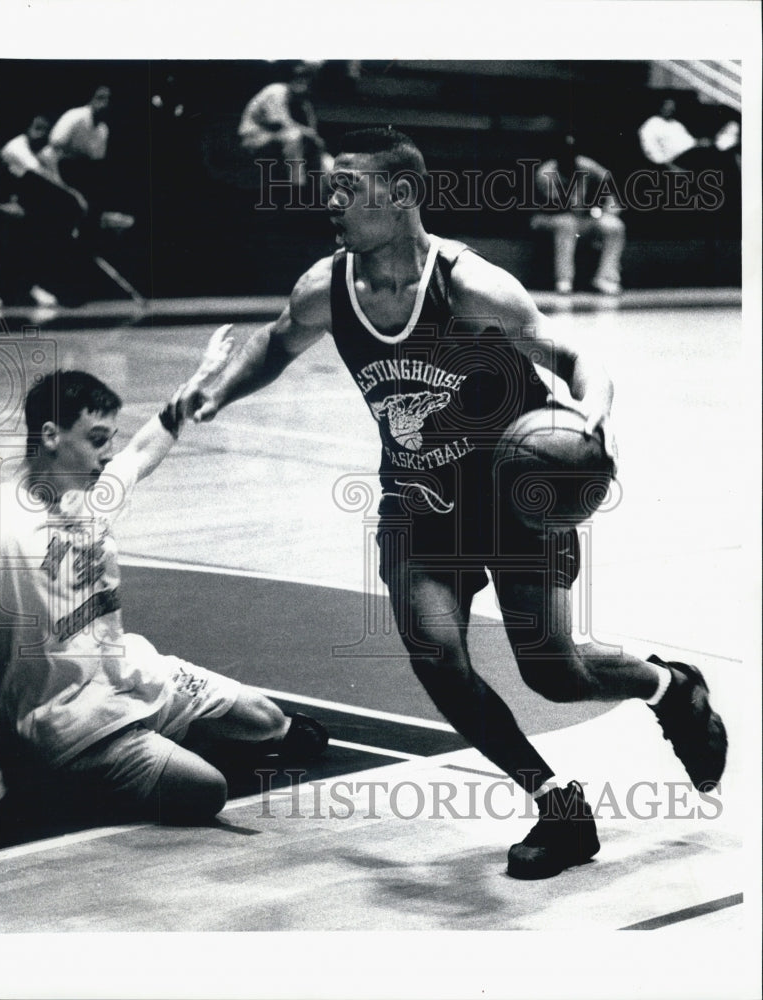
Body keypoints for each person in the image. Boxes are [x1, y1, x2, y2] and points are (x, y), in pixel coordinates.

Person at [180, 127, 727, 880]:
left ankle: (672, 688)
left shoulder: (469, 285)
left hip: (512, 496)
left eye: (349, 187)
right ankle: (557, 804)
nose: (329, 199)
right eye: (329, 186)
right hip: (418, 500)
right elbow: (275, 344)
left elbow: (572, 357)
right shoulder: (325, 287)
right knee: (435, 652)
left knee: (553, 671)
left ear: (400, 195)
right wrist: (215, 389)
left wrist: (592, 415)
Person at [0, 339, 328, 827]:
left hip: (131, 672)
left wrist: (192, 389)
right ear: (50, 436)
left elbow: (142, 450)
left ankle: (166, 736)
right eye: (96, 439)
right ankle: (53, 776)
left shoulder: (91, 493)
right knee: (206, 790)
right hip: (69, 717)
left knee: (275, 725)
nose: (107, 454)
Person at [0, 114, 88, 307]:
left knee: (43, 226)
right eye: (37, 128)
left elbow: (58, 183)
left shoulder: (44, 153)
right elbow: (42, 178)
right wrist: (73, 199)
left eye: (45, 130)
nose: (41, 134)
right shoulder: (17, 148)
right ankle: (1, 288)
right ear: (27, 128)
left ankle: (32, 284)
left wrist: (76, 201)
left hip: (21, 203)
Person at [530, 133, 626, 296]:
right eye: (565, 154)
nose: (570, 159)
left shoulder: (584, 164)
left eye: (572, 154)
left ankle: (606, 278)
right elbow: (557, 207)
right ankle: (564, 280)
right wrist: (588, 207)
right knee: (567, 223)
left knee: (614, 226)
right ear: (558, 156)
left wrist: (609, 206)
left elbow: (608, 180)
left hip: (580, 218)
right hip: (545, 219)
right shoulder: (546, 172)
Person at [40, 85, 134, 234]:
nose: (105, 103)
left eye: (109, 100)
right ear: (92, 98)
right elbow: (51, 152)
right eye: (101, 98)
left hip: (75, 174)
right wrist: (65, 189)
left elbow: (93, 164)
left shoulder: (103, 130)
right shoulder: (75, 116)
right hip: (50, 168)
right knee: (74, 203)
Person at [238, 61, 333, 189]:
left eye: (307, 78)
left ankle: (324, 196)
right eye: (300, 78)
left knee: (326, 160)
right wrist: (310, 135)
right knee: (293, 136)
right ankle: (297, 185)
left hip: (277, 137)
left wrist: (316, 141)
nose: (303, 82)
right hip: (254, 136)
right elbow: (280, 123)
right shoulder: (276, 91)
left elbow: (313, 132)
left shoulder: (304, 104)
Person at [637, 97, 713, 172]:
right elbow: (652, 150)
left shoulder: (676, 124)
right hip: (668, 164)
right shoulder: (651, 125)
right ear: (661, 107)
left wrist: (698, 142)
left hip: (685, 157)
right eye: (667, 106)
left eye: (672, 107)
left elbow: (688, 141)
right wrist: (670, 165)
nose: (670, 109)